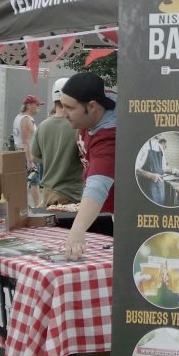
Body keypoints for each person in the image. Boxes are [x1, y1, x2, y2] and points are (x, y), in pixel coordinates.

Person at [59, 72, 116, 260]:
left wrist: (77, 231)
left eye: (69, 107)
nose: (62, 113)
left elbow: (98, 186)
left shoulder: (110, 135)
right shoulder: (92, 113)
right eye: (61, 105)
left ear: (92, 106)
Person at [30, 78, 83, 207]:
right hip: (71, 194)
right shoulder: (78, 126)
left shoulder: (43, 126)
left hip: (48, 193)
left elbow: (34, 157)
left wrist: (52, 160)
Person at [13, 95, 42, 206]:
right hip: (28, 155)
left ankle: (21, 205)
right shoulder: (26, 120)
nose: (39, 107)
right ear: (29, 105)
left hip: (20, 154)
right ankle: (36, 207)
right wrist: (30, 161)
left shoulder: (19, 117)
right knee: (34, 182)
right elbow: (26, 141)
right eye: (37, 104)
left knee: (26, 183)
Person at [136, 137, 179, 206]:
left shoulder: (160, 147)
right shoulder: (144, 146)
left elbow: (163, 168)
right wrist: (150, 175)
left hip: (160, 188)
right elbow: (135, 169)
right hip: (147, 189)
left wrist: (174, 171)